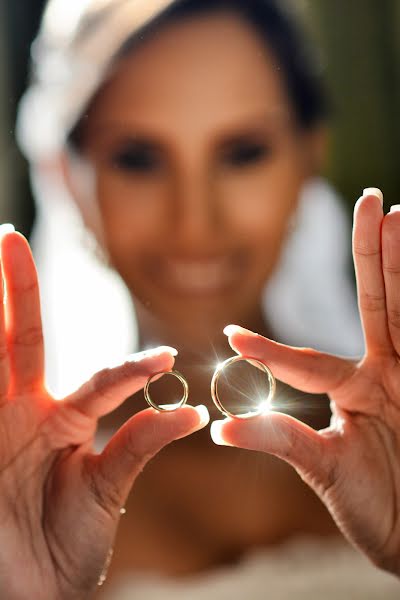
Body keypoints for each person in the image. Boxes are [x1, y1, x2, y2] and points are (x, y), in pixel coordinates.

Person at [2, 0, 397, 597]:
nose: (194, 226)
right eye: (138, 158)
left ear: (310, 154)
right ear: (65, 177)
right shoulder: (27, 497)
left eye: (243, 152)